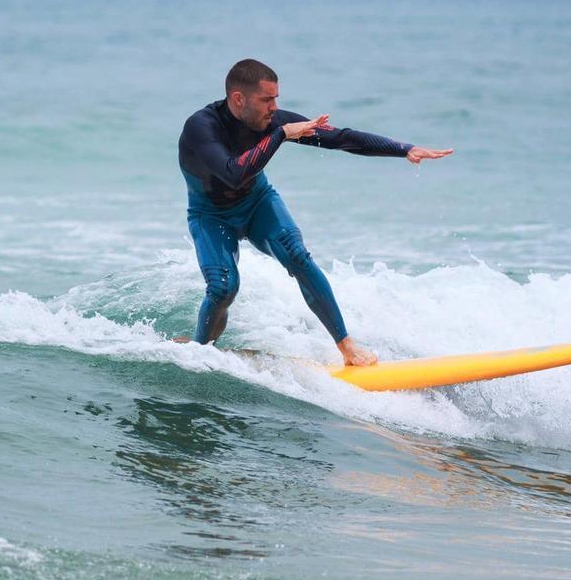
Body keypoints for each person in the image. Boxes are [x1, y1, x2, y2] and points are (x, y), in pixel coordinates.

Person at [177, 59, 452, 366]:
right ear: (238, 99)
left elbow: (341, 138)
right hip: (211, 215)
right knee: (223, 287)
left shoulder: (271, 122)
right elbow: (233, 173)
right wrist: (281, 135)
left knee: (297, 254)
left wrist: (404, 149)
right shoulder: (201, 128)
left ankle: (346, 345)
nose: (274, 107)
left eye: (276, 99)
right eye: (267, 99)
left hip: (256, 203)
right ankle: (200, 351)